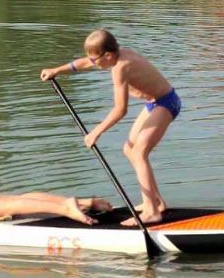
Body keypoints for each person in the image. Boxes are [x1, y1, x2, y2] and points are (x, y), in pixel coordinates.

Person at [40, 29, 179, 224]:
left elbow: (120, 109)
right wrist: (57, 70)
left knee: (139, 152)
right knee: (129, 149)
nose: (94, 64)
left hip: (166, 103)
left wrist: (95, 132)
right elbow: (85, 62)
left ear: (108, 55)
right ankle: (156, 202)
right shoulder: (113, 56)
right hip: (153, 104)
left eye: (96, 60)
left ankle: (152, 212)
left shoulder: (121, 67)